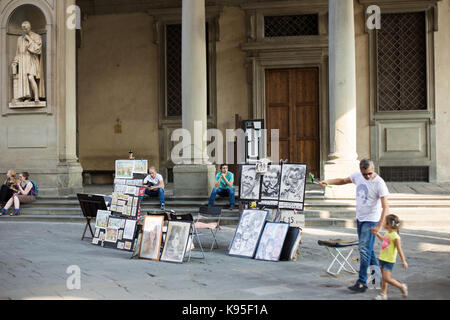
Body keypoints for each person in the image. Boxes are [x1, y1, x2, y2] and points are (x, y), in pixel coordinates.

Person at [319, 159, 390, 293]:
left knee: (363, 251)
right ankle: (377, 279)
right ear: (361, 171)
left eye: (369, 173)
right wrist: (327, 182)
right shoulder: (358, 176)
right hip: (360, 219)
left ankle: (362, 282)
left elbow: (386, 206)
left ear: (373, 169)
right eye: (364, 174)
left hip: (371, 220)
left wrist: (379, 226)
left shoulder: (379, 183)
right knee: (369, 250)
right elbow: (343, 180)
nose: (367, 176)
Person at [371, 214, 408, 300]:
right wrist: (377, 234)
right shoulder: (388, 233)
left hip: (389, 261)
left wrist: (403, 260)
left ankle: (401, 286)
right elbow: (385, 240)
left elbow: (399, 249)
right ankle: (383, 294)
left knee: (386, 278)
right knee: (383, 278)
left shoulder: (395, 237)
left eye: (384, 222)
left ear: (389, 225)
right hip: (382, 258)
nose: (383, 223)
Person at [11, 21, 45, 103]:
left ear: (30, 27)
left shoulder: (37, 36)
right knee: (24, 79)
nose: (24, 29)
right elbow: (18, 52)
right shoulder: (20, 39)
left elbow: (37, 49)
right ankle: (27, 97)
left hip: (32, 60)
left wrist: (29, 39)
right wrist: (15, 61)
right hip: (23, 60)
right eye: (23, 28)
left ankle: (36, 97)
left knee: (30, 77)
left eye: (25, 27)